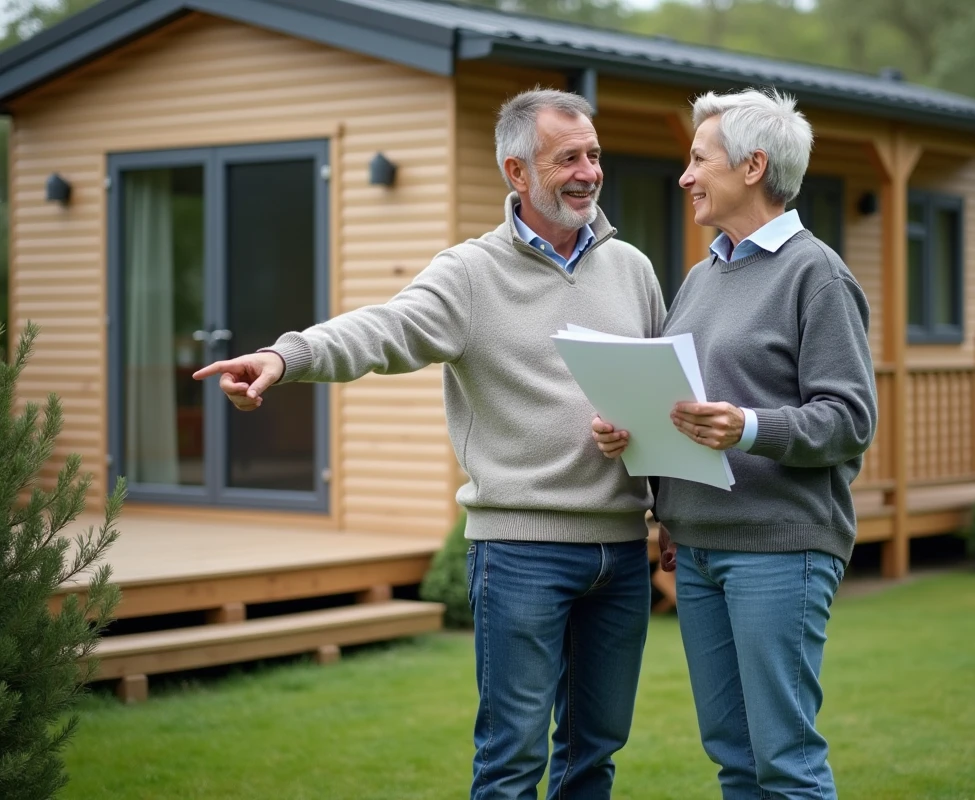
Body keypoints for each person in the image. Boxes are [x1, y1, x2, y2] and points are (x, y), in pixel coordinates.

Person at [194, 89, 666, 800]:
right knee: (510, 761)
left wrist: (664, 499)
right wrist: (285, 357)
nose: (588, 172)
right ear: (517, 171)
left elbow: (662, 392)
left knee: (593, 757)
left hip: (623, 553)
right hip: (521, 552)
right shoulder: (471, 274)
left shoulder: (632, 268)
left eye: (593, 155)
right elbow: (382, 329)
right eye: (567, 157)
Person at [593, 87, 877, 800]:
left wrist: (749, 426)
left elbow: (849, 419)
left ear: (752, 167)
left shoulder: (818, 275)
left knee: (784, 759)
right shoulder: (701, 277)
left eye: (698, 159)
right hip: (698, 547)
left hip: (781, 549)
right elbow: (679, 406)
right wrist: (645, 463)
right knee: (732, 754)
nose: (685, 176)